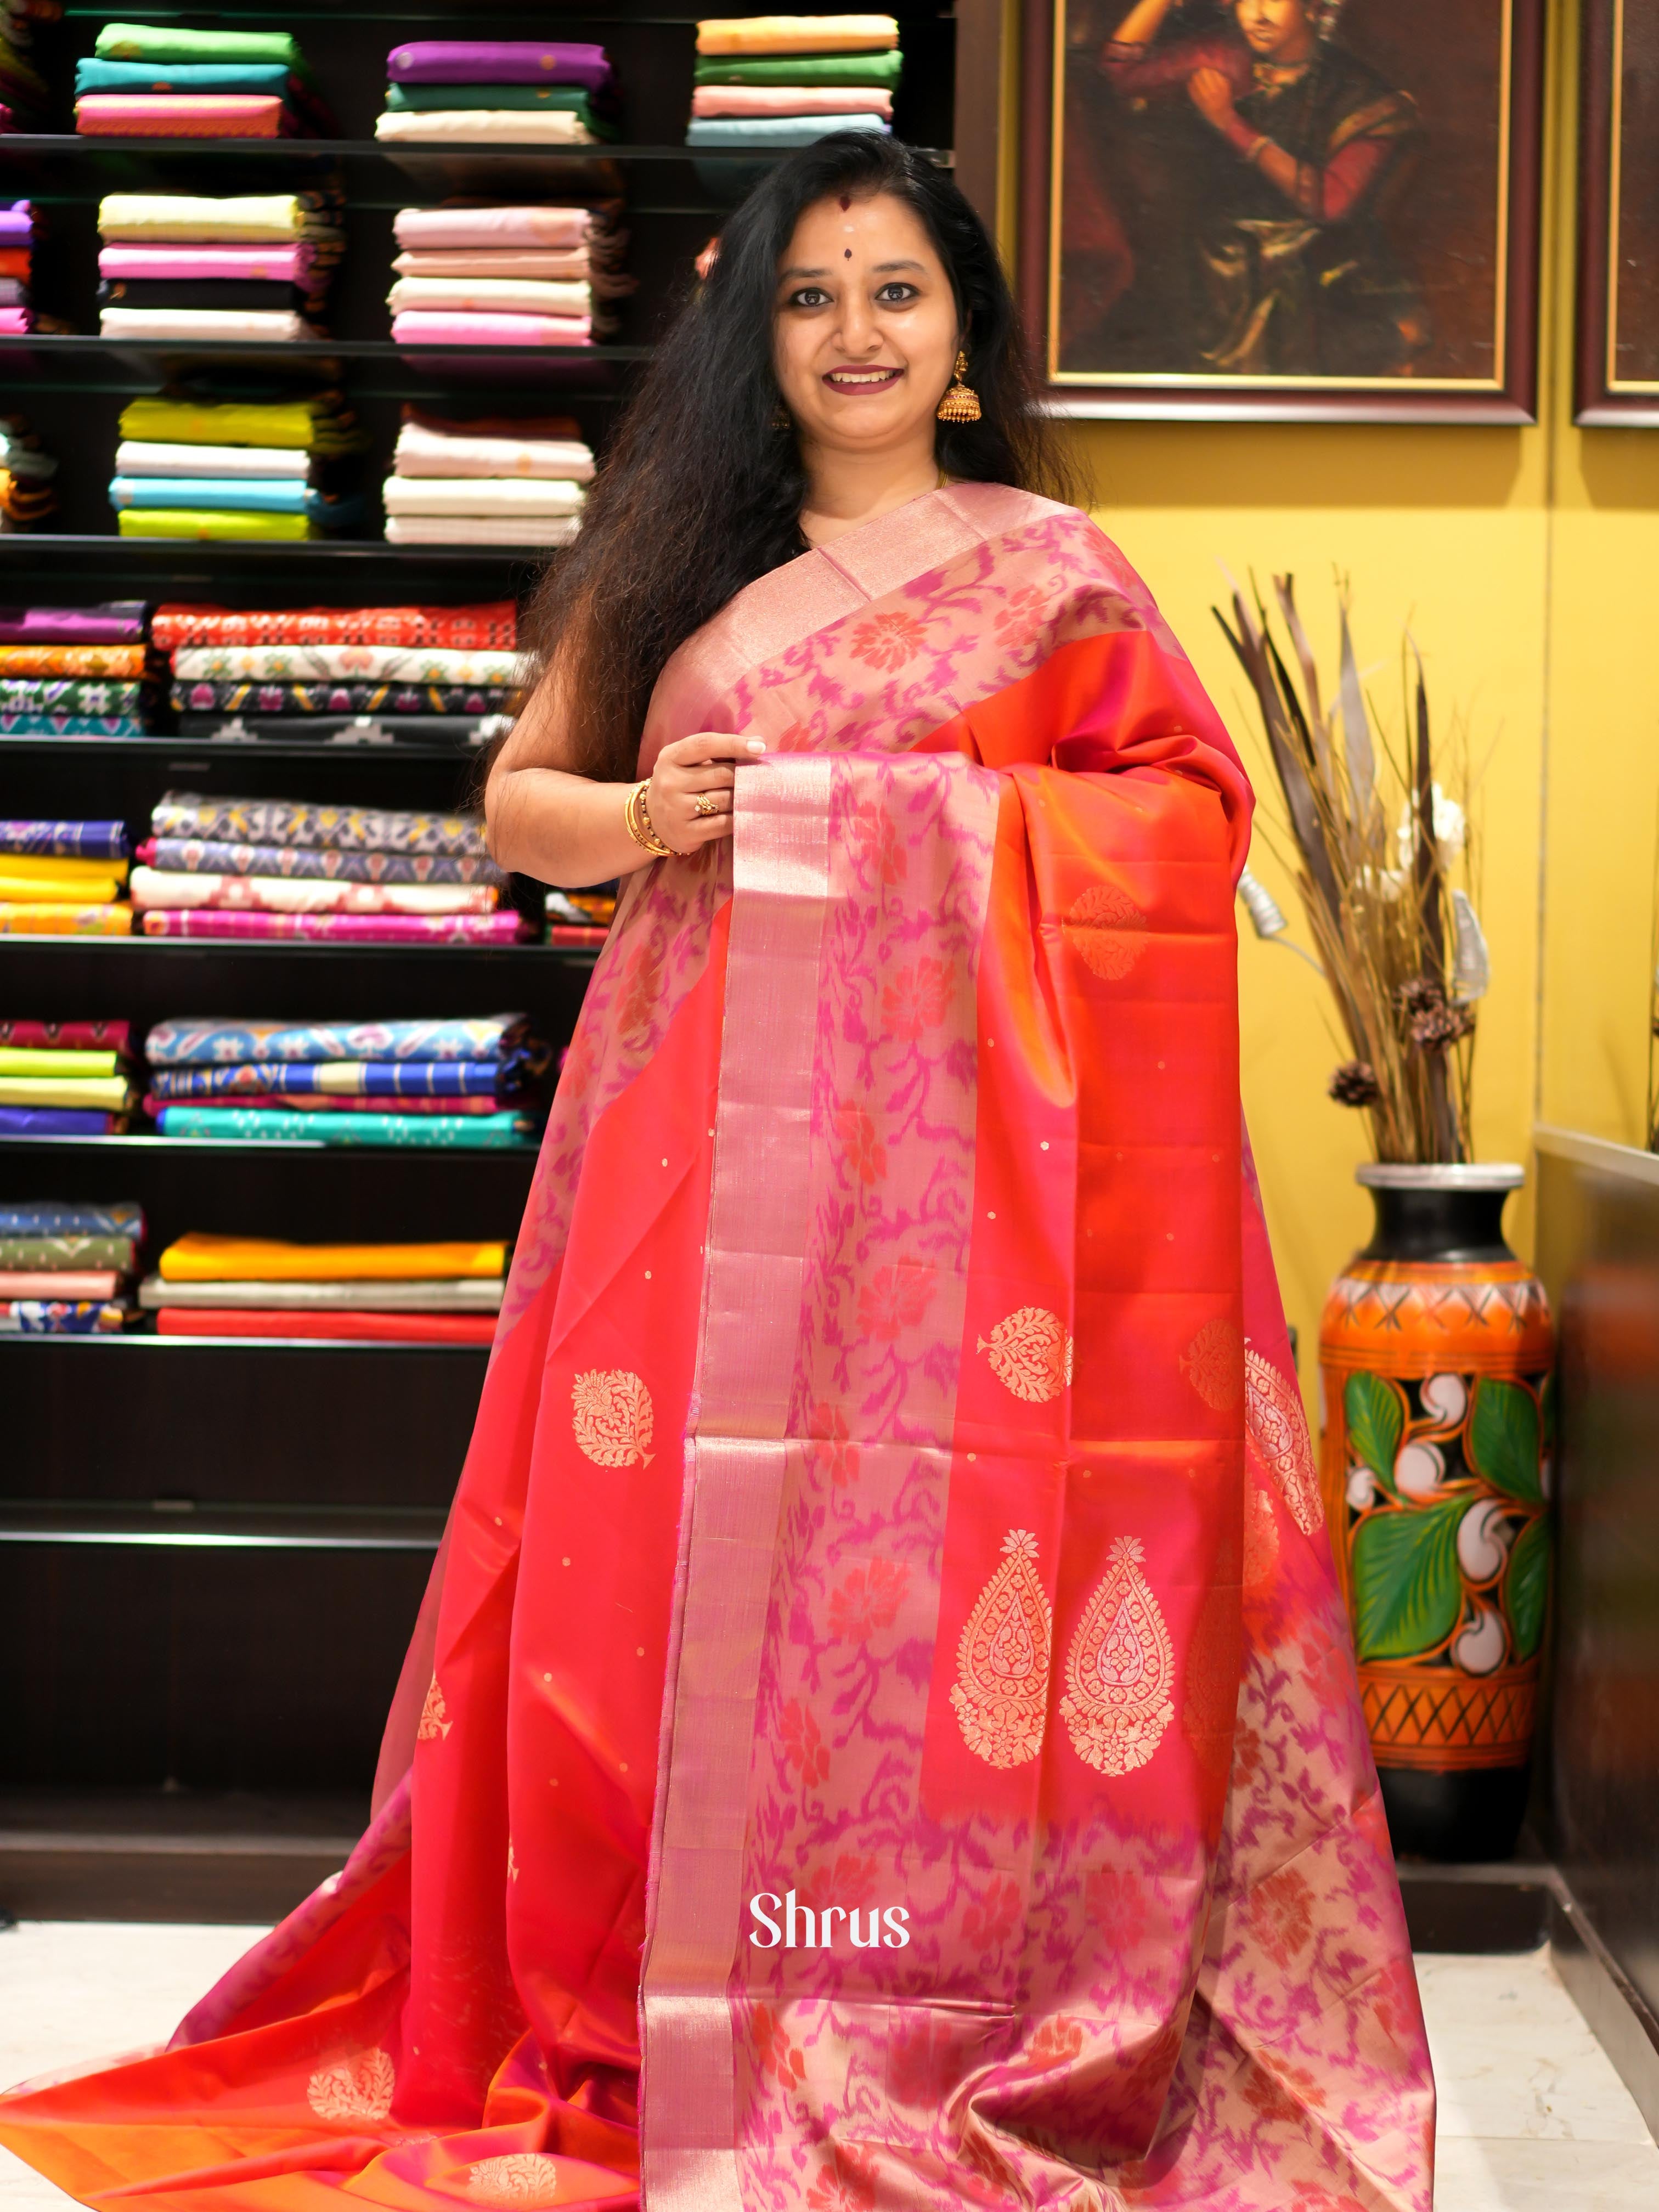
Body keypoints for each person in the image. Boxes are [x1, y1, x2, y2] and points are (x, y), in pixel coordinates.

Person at [0, 134, 1434, 2211]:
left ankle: (946, 1993)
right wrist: (653, 807)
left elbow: (1178, 837)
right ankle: (668, 1992)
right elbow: (522, 814)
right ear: (754, 339)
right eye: (806, 296)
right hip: (697, 1161)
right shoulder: (664, 563)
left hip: (979, 1215)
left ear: (959, 340)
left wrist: (925, 824)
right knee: (670, 1566)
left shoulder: (1049, 575)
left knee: (956, 1589)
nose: (853, 332)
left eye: (894, 292)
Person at [1070, 0, 1426, 375]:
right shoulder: (1224, 57)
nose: (1256, 14)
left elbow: (1330, 202)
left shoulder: (1362, 96)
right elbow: (1117, 72)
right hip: (1218, 269)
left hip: (1320, 274)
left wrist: (1229, 124)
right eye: (1245, 1)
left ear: (1313, 7)